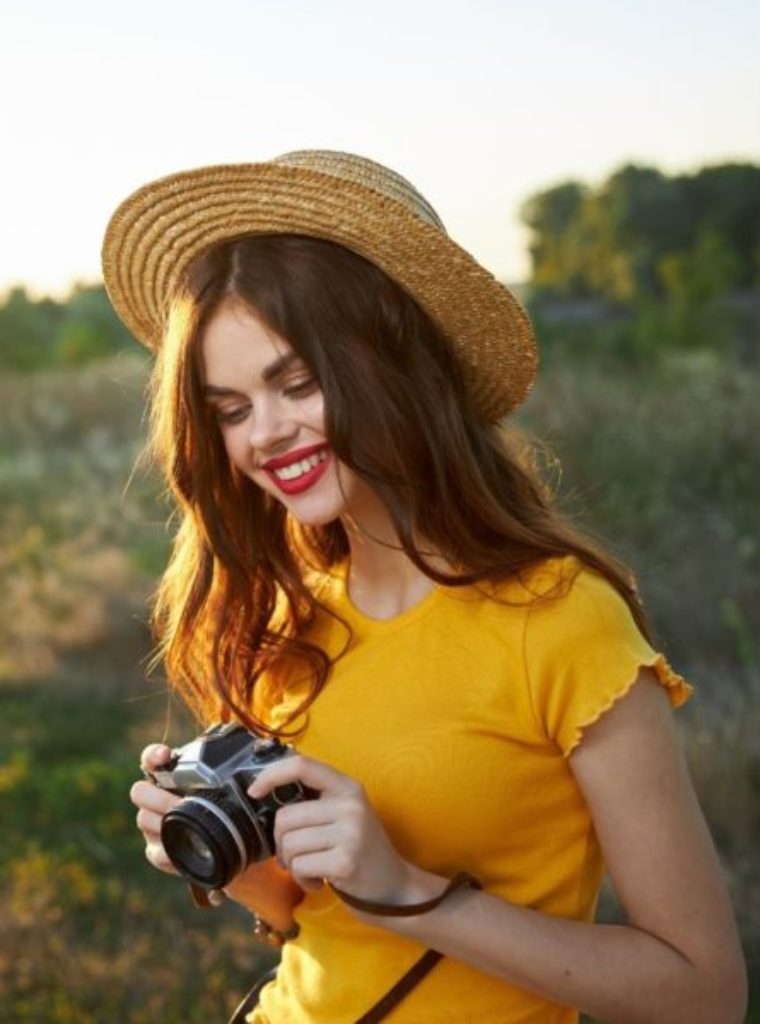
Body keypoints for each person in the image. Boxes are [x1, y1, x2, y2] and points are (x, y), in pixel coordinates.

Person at [108, 150, 747, 1024]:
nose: (266, 434)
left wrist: (411, 889)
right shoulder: (285, 611)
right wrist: (245, 865)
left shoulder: (561, 620)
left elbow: (703, 993)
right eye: (230, 408)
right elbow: (313, 923)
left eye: (297, 383)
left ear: (394, 363)